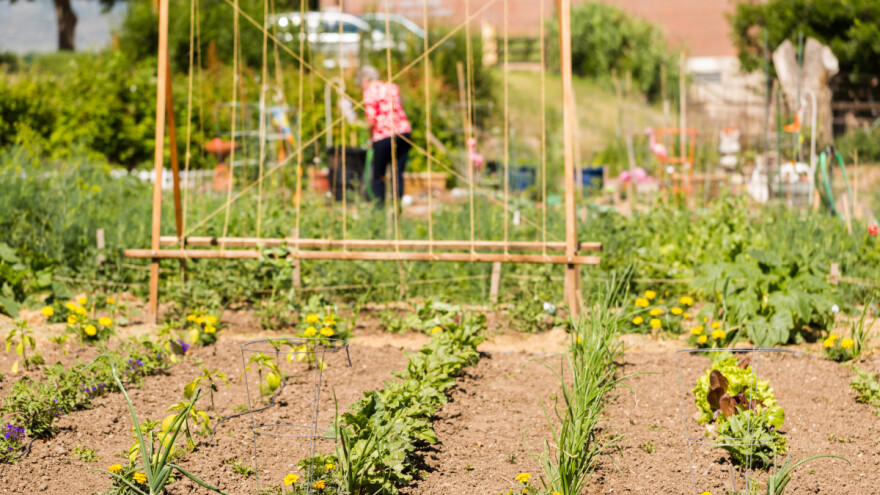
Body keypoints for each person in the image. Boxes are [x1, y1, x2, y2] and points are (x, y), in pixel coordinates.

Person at [357, 65, 412, 205]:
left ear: (364, 79)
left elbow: (371, 119)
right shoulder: (392, 87)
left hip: (384, 135)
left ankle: (379, 209)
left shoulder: (369, 90)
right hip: (403, 133)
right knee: (397, 173)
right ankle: (396, 209)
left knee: (378, 175)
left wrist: (369, 135)